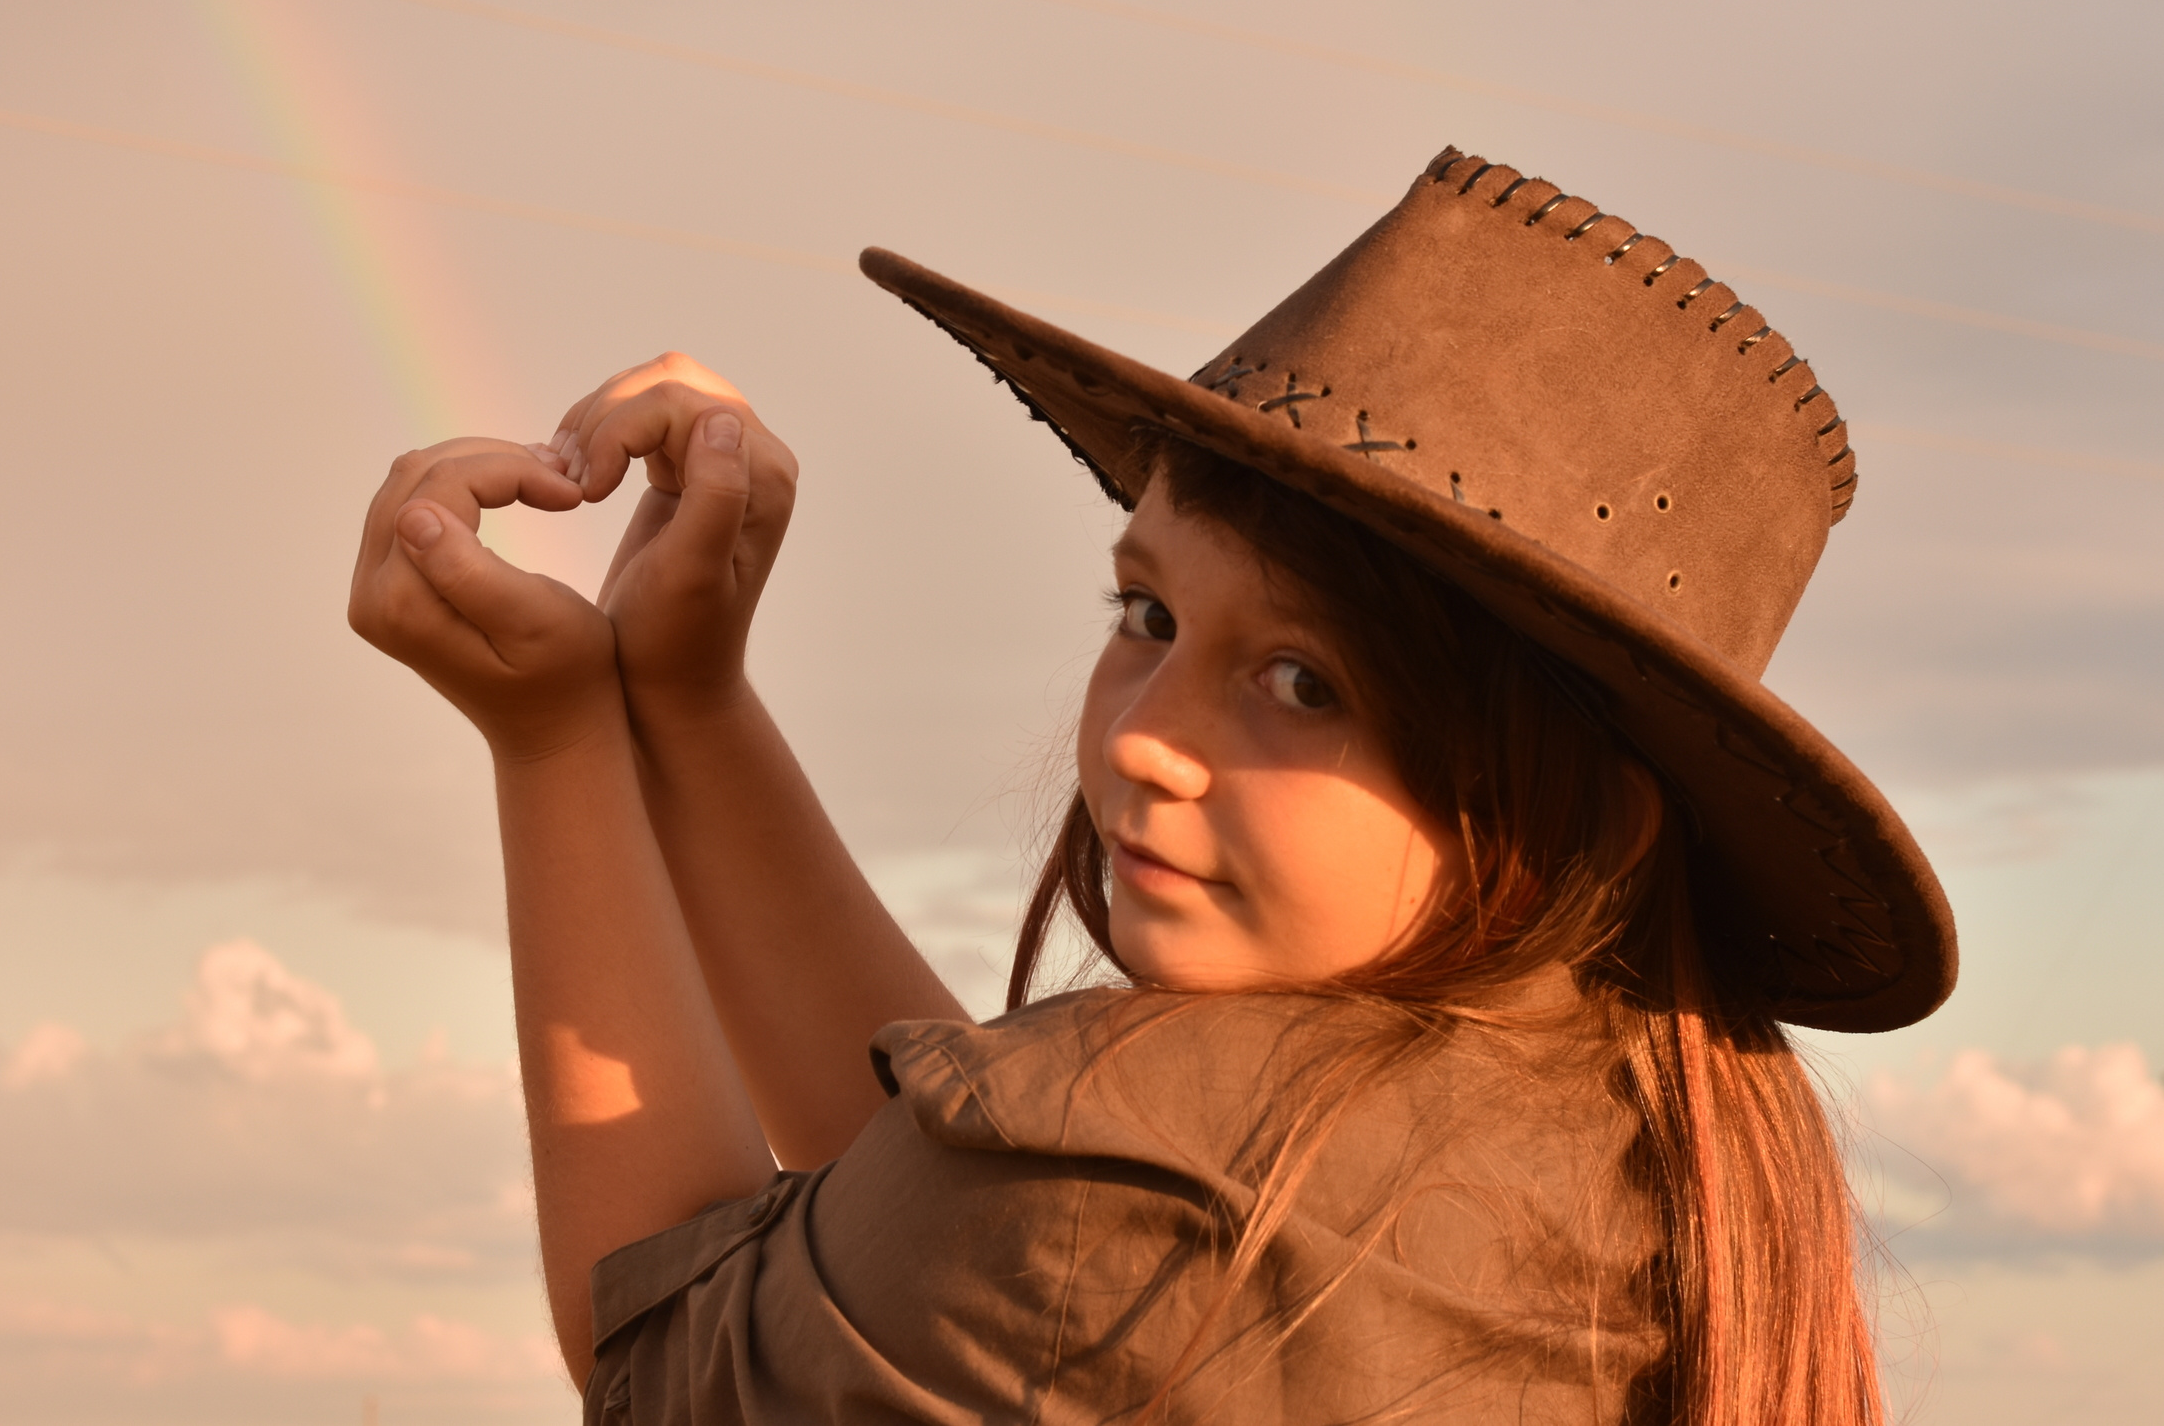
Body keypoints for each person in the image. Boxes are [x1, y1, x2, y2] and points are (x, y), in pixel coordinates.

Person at [348, 148, 1956, 1425]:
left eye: (1303, 682)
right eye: (1147, 614)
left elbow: (670, 1354)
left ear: (1576, 819)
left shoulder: (1172, 1195)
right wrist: (689, 711)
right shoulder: (1629, 1143)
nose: (1135, 735)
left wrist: (554, 742)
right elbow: (947, 1219)